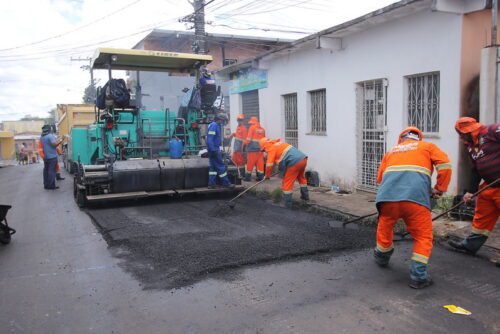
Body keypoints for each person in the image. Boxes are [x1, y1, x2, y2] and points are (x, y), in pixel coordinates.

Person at [374, 127, 452, 289]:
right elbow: (445, 165)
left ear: (401, 139)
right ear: (418, 138)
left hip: (387, 198)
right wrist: (439, 188)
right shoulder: (427, 147)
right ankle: (418, 277)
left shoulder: (391, 151)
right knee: (423, 237)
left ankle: (382, 257)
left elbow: (380, 178)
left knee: (385, 226)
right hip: (416, 200)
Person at [448, 118, 500, 255]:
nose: (460, 138)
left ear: (468, 130)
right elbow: (476, 169)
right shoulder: (471, 146)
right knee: (481, 218)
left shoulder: (492, 130)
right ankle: (470, 246)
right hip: (489, 186)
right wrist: (470, 191)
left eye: (461, 134)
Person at [260, 137, 309, 208]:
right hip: (303, 159)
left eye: (264, 150)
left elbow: (269, 165)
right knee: (301, 178)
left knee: (287, 183)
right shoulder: (279, 144)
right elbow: (284, 157)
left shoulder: (271, 148)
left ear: (265, 146)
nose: (265, 152)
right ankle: (305, 197)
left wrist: (267, 176)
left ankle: (287, 204)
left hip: (294, 162)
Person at [207, 113, 234, 189]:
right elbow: (210, 139)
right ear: (220, 119)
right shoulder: (214, 126)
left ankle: (211, 184)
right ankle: (226, 183)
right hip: (214, 149)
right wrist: (213, 150)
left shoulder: (214, 125)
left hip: (213, 149)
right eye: (223, 121)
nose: (224, 123)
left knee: (212, 168)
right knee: (221, 166)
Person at [40, 125, 63, 190]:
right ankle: (51, 186)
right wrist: (60, 141)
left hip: (46, 157)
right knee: (52, 171)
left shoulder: (42, 137)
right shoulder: (50, 136)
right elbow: (54, 144)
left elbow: (48, 144)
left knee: (46, 171)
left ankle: (46, 185)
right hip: (52, 157)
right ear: (49, 129)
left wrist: (57, 140)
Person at [245, 117, 266, 181]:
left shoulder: (252, 128)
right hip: (260, 150)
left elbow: (248, 139)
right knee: (260, 164)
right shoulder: (262, 129)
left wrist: (244, 144)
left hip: (252, 149)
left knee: (250, 163)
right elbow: (264, 140)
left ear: (252, 122)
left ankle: (248, 178)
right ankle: (260, 177)